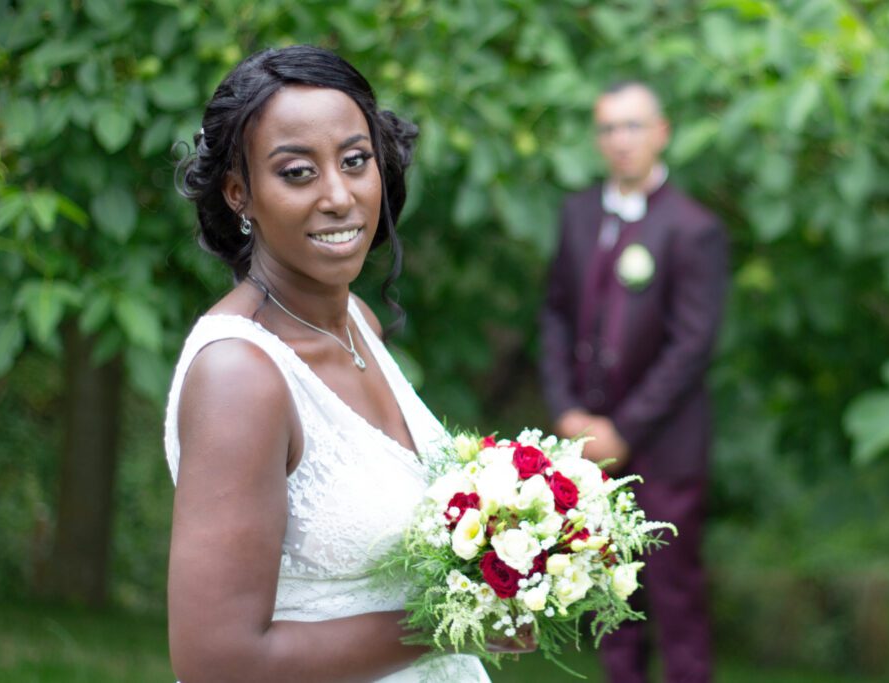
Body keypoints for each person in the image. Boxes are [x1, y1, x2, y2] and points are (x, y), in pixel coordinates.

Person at [165, 45, 529, 682]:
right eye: (298, 172)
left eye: (355, 162)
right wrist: (457, 613)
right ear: (238, 193)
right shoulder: (240, 376)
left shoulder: (356, 319)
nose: (339, 196)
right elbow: (217, 663)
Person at [539, 81, 727, 683]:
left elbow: (691, 347)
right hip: (589, 447)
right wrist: (568, 413)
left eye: (633, 126)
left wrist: (624, 429)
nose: (621, 141)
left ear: (661, 132)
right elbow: (557, 316)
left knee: (674, 597)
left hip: (665, 448)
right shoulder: (578, 214)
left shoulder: (694, 228)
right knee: (607, 599)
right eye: (609, 129)